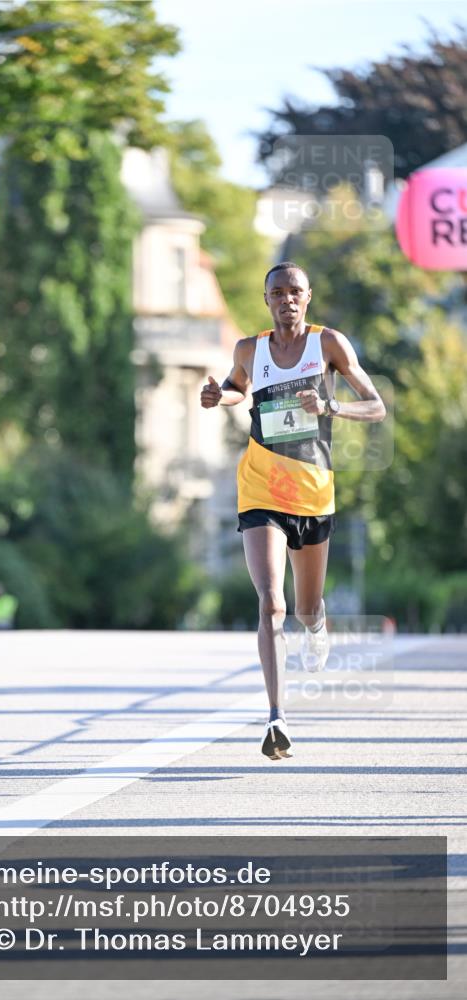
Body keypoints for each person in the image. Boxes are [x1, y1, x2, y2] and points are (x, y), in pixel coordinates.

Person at [201, 261, 386, 761]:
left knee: (304, 609)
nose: (286, 299)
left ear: (308, 297)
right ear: (266, 300)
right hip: (260, 488)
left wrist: (331, 407)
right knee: (271, 603)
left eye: (295, 292)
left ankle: (318, 625)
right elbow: (237, 386)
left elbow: (376, 406)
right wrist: (220, 396)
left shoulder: (329, 345)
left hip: (313, 492)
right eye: (277, 292)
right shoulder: (249, 349)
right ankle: (276, 716)